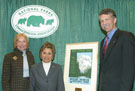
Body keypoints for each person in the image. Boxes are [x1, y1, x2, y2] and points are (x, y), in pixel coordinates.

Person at [98, 8, 135, 91]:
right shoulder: (103, 42)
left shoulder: (126, 37)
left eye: (107, 19)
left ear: (115, 20)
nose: (104, 23)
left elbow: (129, 70)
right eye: (102, 21)